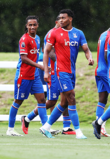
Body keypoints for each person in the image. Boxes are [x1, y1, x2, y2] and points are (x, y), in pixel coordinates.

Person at [40, 9, 94, 139]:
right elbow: (46, 52)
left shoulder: (79, 33)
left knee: (64, 103)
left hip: (72, 72)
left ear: (70, 19)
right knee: (72, 97)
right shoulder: (54, 33)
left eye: (63, 18)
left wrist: (90, 57)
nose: (60, 20)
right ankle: (78, 132)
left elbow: (86, 49)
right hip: (60, 71)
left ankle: (46, 127)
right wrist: (46, 71)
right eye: (59, 18)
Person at [21, 16, 75, 135]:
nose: (63, 23)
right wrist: (63, 62)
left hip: (63, 71)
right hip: (53, 72)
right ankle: (28, 118)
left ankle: (66, 127)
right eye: (61, 21)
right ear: (56, 22)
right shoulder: (51, 34)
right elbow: (49, 53)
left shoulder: (65, 34)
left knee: (66, 96)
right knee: (51, 101)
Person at [6, 16, 49, 136]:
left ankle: (46, 128)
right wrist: (40, 66)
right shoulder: (24, 40)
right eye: (30, 25)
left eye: (34, 25)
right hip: (23, 75)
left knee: (42, 100)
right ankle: (10, 129)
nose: (32, 27)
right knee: (18, 101)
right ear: (26, 26)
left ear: (37, 25)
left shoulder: (38, 38)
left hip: (34, 75)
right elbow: (23, 58)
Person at [94, 16, 110, 137]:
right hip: (106, 72)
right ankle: (100, 123)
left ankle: (99, 127)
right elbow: (106, 55)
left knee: (102, 99)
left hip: (99, 70)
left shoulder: (103, 34)